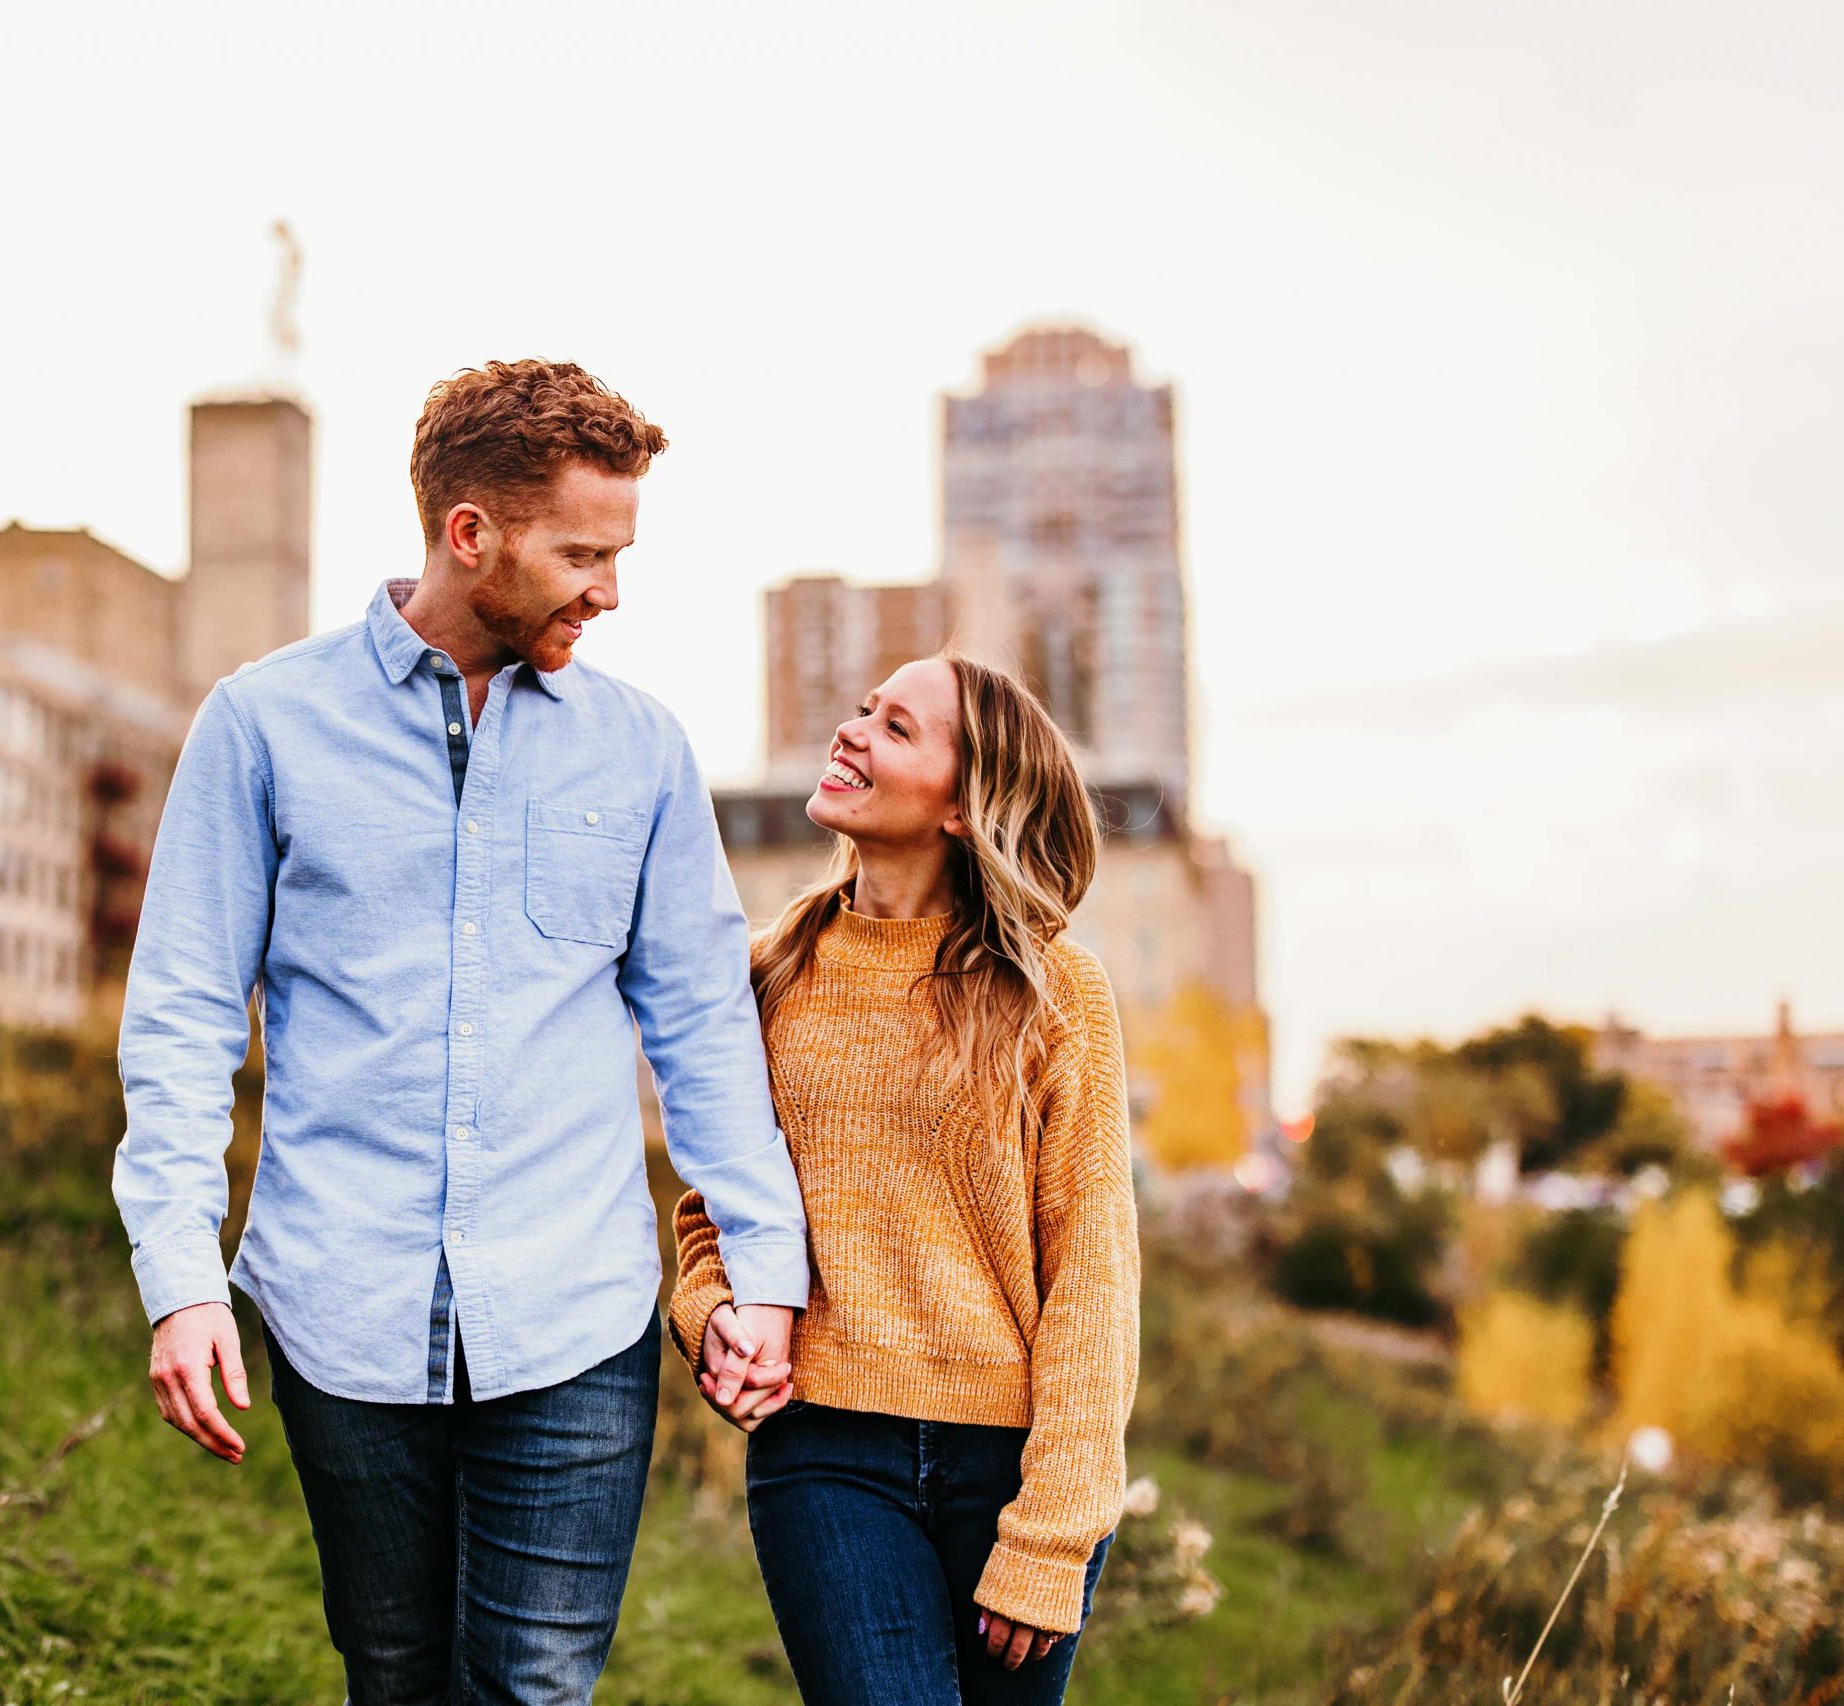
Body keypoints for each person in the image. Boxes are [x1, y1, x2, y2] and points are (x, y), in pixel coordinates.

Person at [112, 359, 810, 1705]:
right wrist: (181, 1272)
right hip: (339, 1302)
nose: (609, 589)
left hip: (576, 1311)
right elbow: (185, 1013)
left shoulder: (644, 750)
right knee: (393, 1671)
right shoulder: (265, 725)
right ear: (469, 532)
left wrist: (763, 1265)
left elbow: (704, 1026)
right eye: (583, 553)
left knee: (532, 1686)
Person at [669, 654, 1139, 1706]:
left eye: (894, 726)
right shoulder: (770, 967)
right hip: (824, 1455)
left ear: (967, 806)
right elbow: (711, 1212)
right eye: (860, 709)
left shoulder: (1054, 989)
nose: (850, 731)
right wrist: (712, 1316)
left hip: (1010, 1465)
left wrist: (1051, 1535)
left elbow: (1093, 1272)